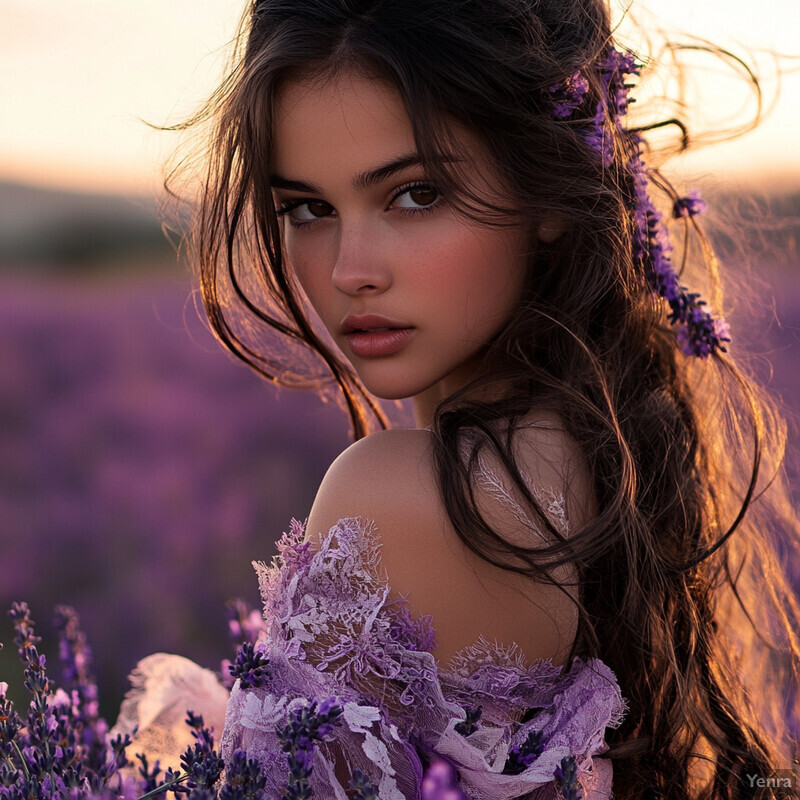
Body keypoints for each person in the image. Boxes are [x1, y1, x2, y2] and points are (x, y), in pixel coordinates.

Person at [115, 0, 800, 798]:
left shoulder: (408, 498)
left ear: (545, 191)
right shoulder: (589, 445)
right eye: (309, 208)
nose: (349, 270)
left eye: (414, 195)